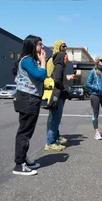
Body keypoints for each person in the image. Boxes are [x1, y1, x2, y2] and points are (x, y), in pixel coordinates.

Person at [12, 35, 47, 176]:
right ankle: (19, 165)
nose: (42, 47)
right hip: (28, 99)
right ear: (32, 46)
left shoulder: (30, 61)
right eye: (39, 44)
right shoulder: (27, 60)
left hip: (29, 98)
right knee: (25, 132)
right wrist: (43, 61)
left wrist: (40, 62)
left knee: (27, 131)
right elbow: (40, 76)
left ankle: (23, 159)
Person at [45, 40, 75, 146]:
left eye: (66, 47)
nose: (65, 48)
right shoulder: (54, 61)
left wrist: (66, 78)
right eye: (63, 46)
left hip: (58, 91)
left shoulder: (60, 61)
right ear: (57, 47)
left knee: (55, 117)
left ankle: (55, 136)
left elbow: (58, 77)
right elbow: (53, 77)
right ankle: (50, 140)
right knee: (53, 117)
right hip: (54, 92)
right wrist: (63, 86)